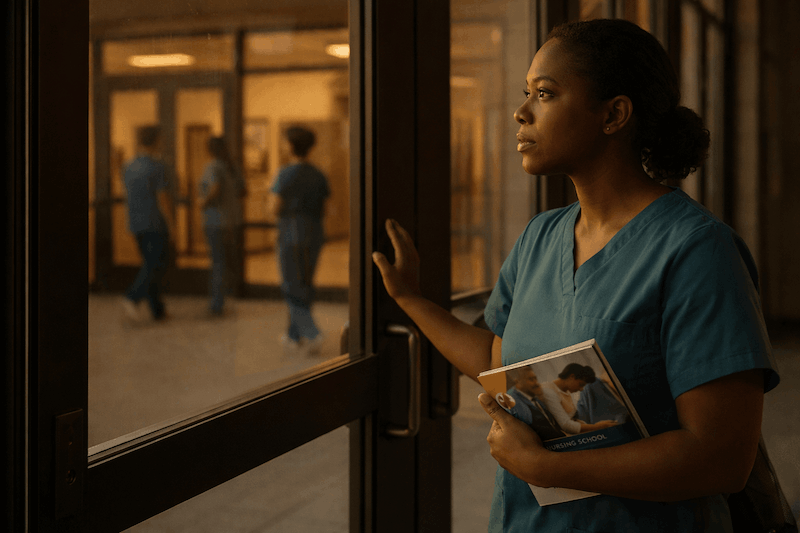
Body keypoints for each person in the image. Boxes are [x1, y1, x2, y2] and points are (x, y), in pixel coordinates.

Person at [372, 18, 779, 532]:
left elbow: (720, 457)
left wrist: (545, 467)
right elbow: (498, 359)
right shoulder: (542, 236)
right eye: (527, 93)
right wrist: (411, 300)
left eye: (545, 94)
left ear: (614, 114)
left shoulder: (697, 251)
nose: (520, 112)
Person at [270, 126, 330, 352]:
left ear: (290, 145)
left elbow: (274, 207)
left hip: (290, 232)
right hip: (314, 232)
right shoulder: (318, 174)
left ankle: (311, 332)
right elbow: (325, 207)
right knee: (305, 283)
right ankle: (293, 335)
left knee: (290, 284)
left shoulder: (284, 173)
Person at [122, 125, 174, 322]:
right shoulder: (157, 166)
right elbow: (162, 199)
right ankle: (132, 297)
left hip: (135, 222)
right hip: (154, 222)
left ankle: (157, 310)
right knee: (155, 265)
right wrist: (171, 223)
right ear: (156, 141)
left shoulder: (128, 166)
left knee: (150, 264)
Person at [198, 136, 245, 316]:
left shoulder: (213, 166)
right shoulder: (232, 168)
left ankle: (217, 304)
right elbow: (242, 190)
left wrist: (203, 202)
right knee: (226, 261)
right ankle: (227, 297)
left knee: (217, 262)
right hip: (232, 221)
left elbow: (214, 188)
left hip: (215, 221)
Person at [540, 363, 618, 435]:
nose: (581, 389)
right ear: (572, 377)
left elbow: (572, 419)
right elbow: (566, 426)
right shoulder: (549, 391)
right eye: (581, 384)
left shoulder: (564, 391)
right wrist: (598, 427)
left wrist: (595, 426)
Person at [505, 366, 566, 441]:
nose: (537, 383)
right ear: (518, 381)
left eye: (535, 378)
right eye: (531, 379)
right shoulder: (513, 400)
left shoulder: (533, 397)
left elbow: (551, 424)